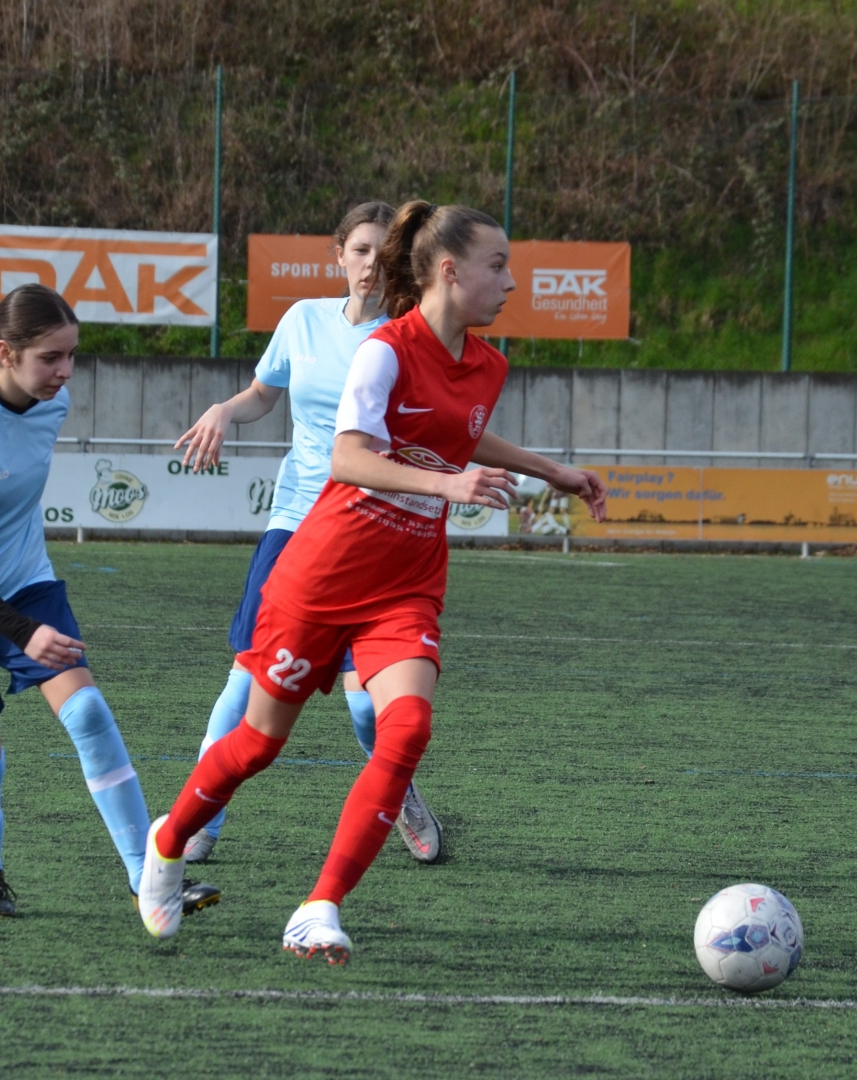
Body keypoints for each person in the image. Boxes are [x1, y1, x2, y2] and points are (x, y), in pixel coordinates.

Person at [136, 201, 607, 954]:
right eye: (498, 266)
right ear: (449, 271)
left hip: (407, 583)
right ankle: (168, 842)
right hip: (323, 574)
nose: (510, 283)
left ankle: (319, 905)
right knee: (257, 743)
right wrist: (448, 484)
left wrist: (554, 471)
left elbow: (457, 430)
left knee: (406, 728)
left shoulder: (489, 365)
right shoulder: (384, 350)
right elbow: (348, 457)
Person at [0, 284, 220, 918]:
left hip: (22, 578)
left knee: (88, 711)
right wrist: (24, 631)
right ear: (5, 353)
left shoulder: (52, 402)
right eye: (50, 358)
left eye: (71, 355)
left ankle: (148, 879)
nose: (65, 372)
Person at [173, 201, 443, 866]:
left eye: (382, 253)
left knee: (365, 710)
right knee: (245, 681)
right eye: (359, 250)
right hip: (295, 523)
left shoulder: (409, 338)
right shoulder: (303, 320)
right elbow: (265, 393)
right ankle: (200, 818)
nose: (369, 265)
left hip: (369, 533)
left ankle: (400, 791)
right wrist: (224, 409)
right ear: (338, 254)